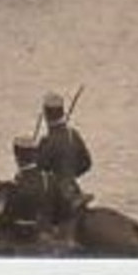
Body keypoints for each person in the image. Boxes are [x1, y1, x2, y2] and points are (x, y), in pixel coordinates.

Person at [0, 136, 57, 247]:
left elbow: (1, 217)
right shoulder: (49, 180)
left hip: (18, 239)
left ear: (17, 158)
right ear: (36, 156)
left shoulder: (12, 187)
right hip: (43, 236)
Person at [34, 93, 92, 228]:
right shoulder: (73, 135)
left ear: (46, 115)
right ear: (62, 112)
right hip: (74, 190)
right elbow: (87, 163)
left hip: (54, 198)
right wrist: (69, 175)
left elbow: (38, 173)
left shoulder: (47, 142)